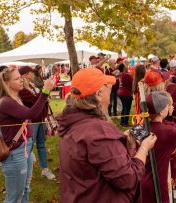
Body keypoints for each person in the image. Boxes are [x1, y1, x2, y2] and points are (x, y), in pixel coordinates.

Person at [57, 68, 156, 202]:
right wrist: (144, 148)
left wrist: (121, 142)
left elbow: (99, 159)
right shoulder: (98, 131)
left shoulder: (74, 122)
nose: (111, 93)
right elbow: (128, 178)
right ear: (98, 94)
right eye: (108, 88)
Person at [0, 68, 55, 203]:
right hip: (15, 153)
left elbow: (29, 115)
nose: (21, 79)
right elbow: (31, 114)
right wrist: (45, 91)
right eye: (17, 78)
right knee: (14, 197)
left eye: (20, 77)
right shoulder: (6, 102)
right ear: (7, 83)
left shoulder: (16, 98)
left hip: (25, 148)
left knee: (25, 189)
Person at [18, 66, 55, 181]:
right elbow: (33, 102)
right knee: (28, 147)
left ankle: (45, 169)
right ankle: (25, 173)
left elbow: (39, 100)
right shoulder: (22, 89)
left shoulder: (31, 86)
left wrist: (44, 95)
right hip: (31, 121)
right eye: (31, 73)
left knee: (41, 145)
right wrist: (45, 91)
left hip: (40, 118)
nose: (33, 74)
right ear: (25, 75)